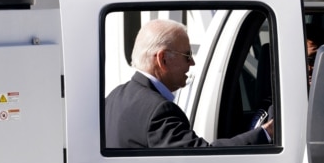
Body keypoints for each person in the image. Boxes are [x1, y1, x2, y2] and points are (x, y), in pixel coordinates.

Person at [105, 18, 274, 148]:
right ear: (163, 59)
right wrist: (265, 134)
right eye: (187, 56)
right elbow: (201, 158)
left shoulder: (115, 96)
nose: (192, 63)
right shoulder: (158, 111)